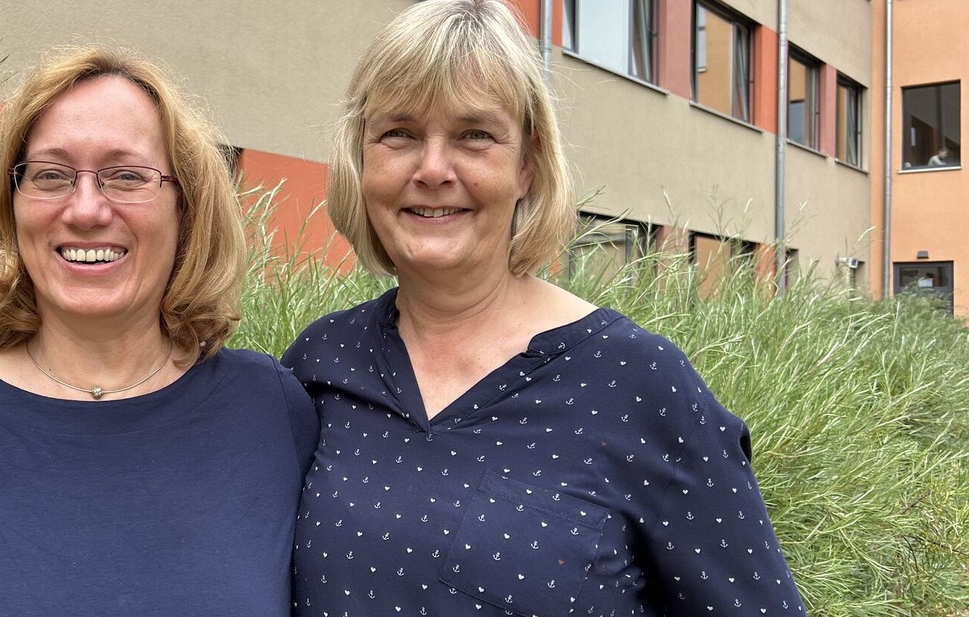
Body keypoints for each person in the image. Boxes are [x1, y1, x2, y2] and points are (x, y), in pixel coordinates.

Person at [282, 2, 808, 615]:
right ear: (361, 157)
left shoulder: (641, 385)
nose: (432, 169)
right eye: (399, 133)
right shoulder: (321, 361)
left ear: (527, 165)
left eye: (475, 135)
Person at [0, 46, 318, 615]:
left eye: (126, 175)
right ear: (10, 206)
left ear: (186, 209)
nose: (86, 210)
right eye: (51, 175)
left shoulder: (269, 409)